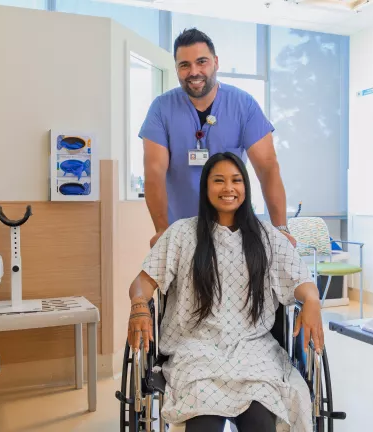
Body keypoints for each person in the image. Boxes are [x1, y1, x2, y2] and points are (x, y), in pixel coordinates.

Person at [127, 152, 323, 432]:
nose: (228, 188)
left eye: (236, 180)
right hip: (195, 349)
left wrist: (313, 300)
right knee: (203, 423)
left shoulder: (267, 237)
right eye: (219, 180)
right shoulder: (182, 233)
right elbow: (143, 282)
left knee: (260, 421)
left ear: (246, 187)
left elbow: (301, 281)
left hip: (253, 350)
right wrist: (138, 305)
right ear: (206, 188)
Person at [139, 28, 296, 248]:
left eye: (201, 61)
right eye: (184, 65)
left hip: (236, 229)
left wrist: (280, 228)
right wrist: (162, 230)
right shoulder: (161, 108)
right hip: (181, 231)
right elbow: (154, 172)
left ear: (216, 62)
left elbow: (267, 167)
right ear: (176, 68)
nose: (194, 71)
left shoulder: (243, 105)